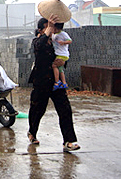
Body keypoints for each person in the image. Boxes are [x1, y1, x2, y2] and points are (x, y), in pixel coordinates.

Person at [27, 16, 80, 152]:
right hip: (41, 82)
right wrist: (48, 30)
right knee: (38, 110)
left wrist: (63, 62)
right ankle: (32, 132)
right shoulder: (38, 41)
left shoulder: (56, 41)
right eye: (47, 27)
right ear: (40, 30)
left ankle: (68, 141)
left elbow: (63, 56)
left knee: (65, 110)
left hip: (56, 83)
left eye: (52, 27)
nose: (51, 30)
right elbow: (39, 47)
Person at [51, 23, 72, 90]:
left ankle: (57, 82)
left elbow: (70, 41)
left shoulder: (63, 34)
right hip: (58, 54)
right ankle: (64, 83)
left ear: (58, 29)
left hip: (62, 54)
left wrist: (63, 43)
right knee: (60, 69)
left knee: (54, 65)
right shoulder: (54, 35)